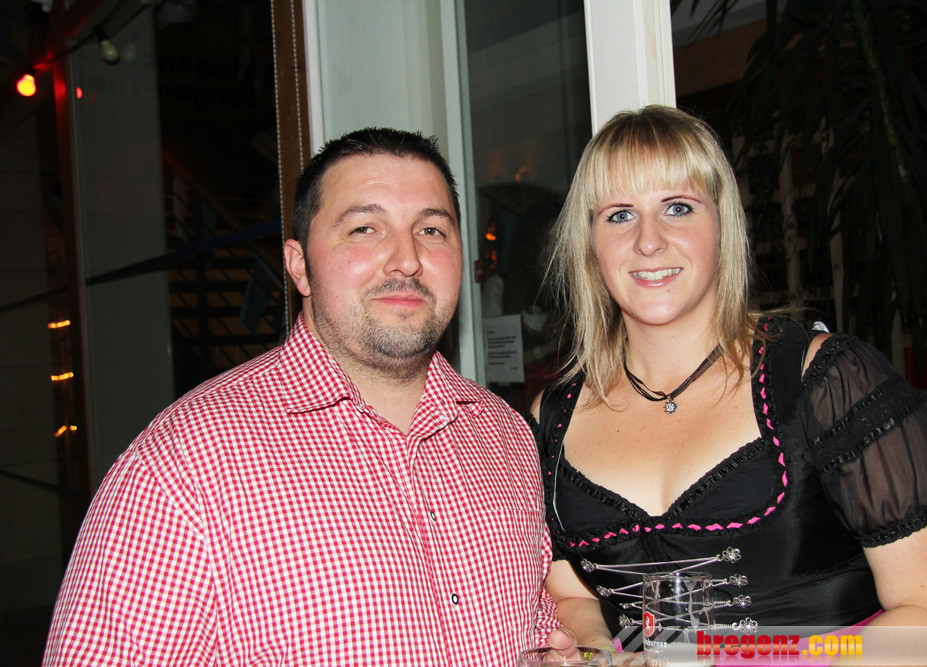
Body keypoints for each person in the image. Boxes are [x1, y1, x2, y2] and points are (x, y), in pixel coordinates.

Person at [43, 127, 559, 665]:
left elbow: (538, 622)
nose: (406, 259)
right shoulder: (183, 467)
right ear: (298, 266)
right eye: (365, 228)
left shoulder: (505, 435)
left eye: (431, 230)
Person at [528, 105, 927, 654]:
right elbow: (571, 593)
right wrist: (596, 651)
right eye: (620, 214)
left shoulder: (826, 381)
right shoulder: (552, 418)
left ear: (722, 225)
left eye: (678, 207)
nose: (649, 241)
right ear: (589, 243)